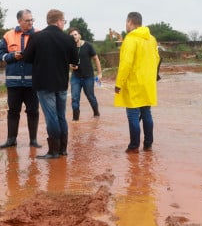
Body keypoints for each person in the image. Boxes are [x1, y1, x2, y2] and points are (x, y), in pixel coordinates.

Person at [23, 9, 79, 159]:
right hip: (61, 83)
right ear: (59, 21)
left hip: (43, 83)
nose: (64, 24)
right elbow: (75, 61)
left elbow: (27, 58)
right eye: (64, 21)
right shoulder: (68, 39)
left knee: (51, 116)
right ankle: (62, 149)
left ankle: (53, 151)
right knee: (61, 115)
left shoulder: (36, 37)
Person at [114, 12, 160, 152]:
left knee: (133, 114)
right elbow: (157, 58)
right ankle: (148, 144)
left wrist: (119, 83)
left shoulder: (130, 39)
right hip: (147, 83)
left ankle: (134, 146)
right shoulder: (151, 39)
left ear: (129, 22)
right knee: (146, 113)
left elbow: (126, 64)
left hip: (133, 83)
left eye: (126, 22)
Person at [0, 9, 41, 148]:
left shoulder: (39, 34)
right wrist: (12, 56)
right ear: (19, 21)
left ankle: (33, 140)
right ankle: (11, 140)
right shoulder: (8, 35)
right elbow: (0, 55)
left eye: (32, 20)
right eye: (27, 20)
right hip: (14, 82)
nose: (30, 23)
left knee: (33, 111)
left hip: (32, 83)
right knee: (13, 111)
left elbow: (45, 55)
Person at [67, 27, 103, 120]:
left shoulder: (88, 45)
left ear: (79, 35)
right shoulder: (69, 48)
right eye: (71, 35)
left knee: (90, 96)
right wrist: (70, 66)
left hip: (88, 77)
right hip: (76, 77)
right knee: (75, 98)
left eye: (75, 34)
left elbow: (96, 59)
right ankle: (75, 119)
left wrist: (99, 74)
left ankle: (96, 114)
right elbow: (67, 61)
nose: (74, 36)